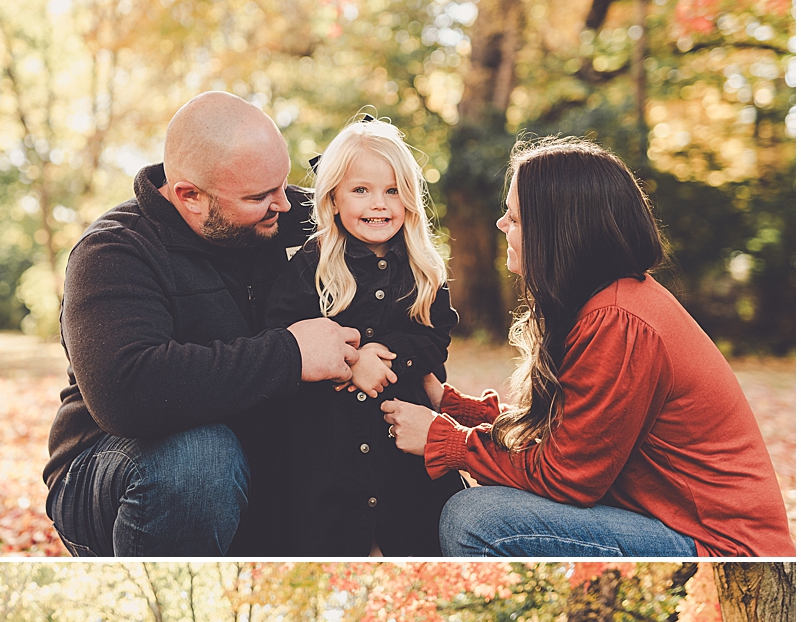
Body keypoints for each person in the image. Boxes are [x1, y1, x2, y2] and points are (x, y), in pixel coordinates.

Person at [382, 135, 793, 558]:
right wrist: (453, 407)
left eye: (515, 218)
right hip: (674, 524)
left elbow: (567, 475)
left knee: (477, 520)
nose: (501, 225)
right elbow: (569, 434)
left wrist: (446, 442)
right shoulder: (606, 304)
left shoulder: (619, 320)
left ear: (557, 232)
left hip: (722, 547)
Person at [44, 91, 361, 556]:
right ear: (190, 196)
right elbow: (127, 391)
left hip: (264, 466)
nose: (287, 205)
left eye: (283, 183)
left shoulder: (296, 221)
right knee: (199, 458)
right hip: (117, 465)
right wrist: (290, 356)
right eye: (259, 196)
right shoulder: (114, 251)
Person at [263, 117, 464, 554]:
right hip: (328, 440)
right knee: (334, 541)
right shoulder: (311, 266)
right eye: (361, 190)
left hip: (401, 438)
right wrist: (351, 362)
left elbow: (436, 337)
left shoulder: (424, 270)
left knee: (410, 538)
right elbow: (282, 333)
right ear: (333, 198)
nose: (380, 204)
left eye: (392, 190)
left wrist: (385, 355)